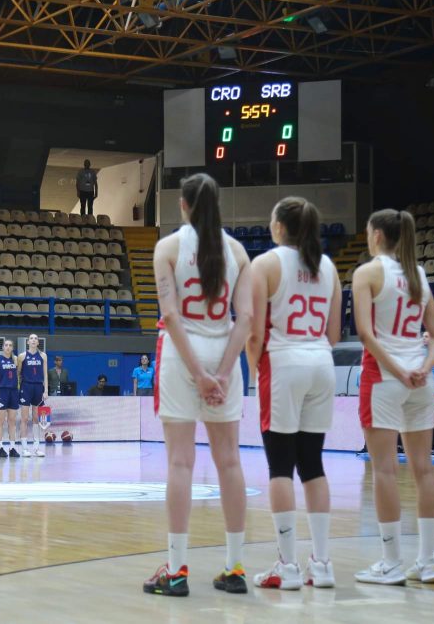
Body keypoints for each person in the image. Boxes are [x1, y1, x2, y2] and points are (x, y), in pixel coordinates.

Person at [143, 173, 252, 597]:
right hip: (224, 352)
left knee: (180, 463)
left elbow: (170, 316)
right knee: (230, 462)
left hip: (182, 354)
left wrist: (198, 373)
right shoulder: (238, 251)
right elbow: (245, 318)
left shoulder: (168, 248)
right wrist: (221, 373)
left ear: (183, 205)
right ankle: (235, 567)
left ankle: (176, 570)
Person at [245, 196, 342, 590]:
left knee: (280, 467)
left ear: (280, 226)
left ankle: (286, 566)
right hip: (321, 362)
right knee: (313, 465)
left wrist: (255, 373)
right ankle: (322, 564)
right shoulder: (328, 266)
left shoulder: (266, 264)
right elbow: (334, 334)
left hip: (283, 363)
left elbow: (254, 333)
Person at [352, 209, 434, 585]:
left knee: (385, 470)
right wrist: (423, 367)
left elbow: (365, 333)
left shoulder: (368, 273)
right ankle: (427, 561)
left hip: (384, 379)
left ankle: (391, 562)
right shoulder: (418, 275)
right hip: (421, 382)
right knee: (425, 470)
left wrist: (397, 369)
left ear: (376, 235)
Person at [18, 333, 48, 457]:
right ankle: (24, 448)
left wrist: (46, 390)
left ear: (38, 342)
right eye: (31, 338)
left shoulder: (43, 356)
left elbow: (45, 374)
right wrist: (18, 388)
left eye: (36, 338)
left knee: (36, 419)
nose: (34, 340)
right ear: (28, 342)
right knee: (24, 418)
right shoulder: (22, 356)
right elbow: (18, 373)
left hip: (38, 387)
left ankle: (36, 448)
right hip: (26, 387)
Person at [0, 339, 21, 458]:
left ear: (12, 348)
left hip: (13, 391)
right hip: (2, 390)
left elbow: (18, 373)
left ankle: (12, 447)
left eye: (10, 345)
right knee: (0, 420)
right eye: (6, 345)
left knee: (12, 421)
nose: (8, 347)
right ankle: (0, 447)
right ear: (3, 347)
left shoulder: (15, 359)